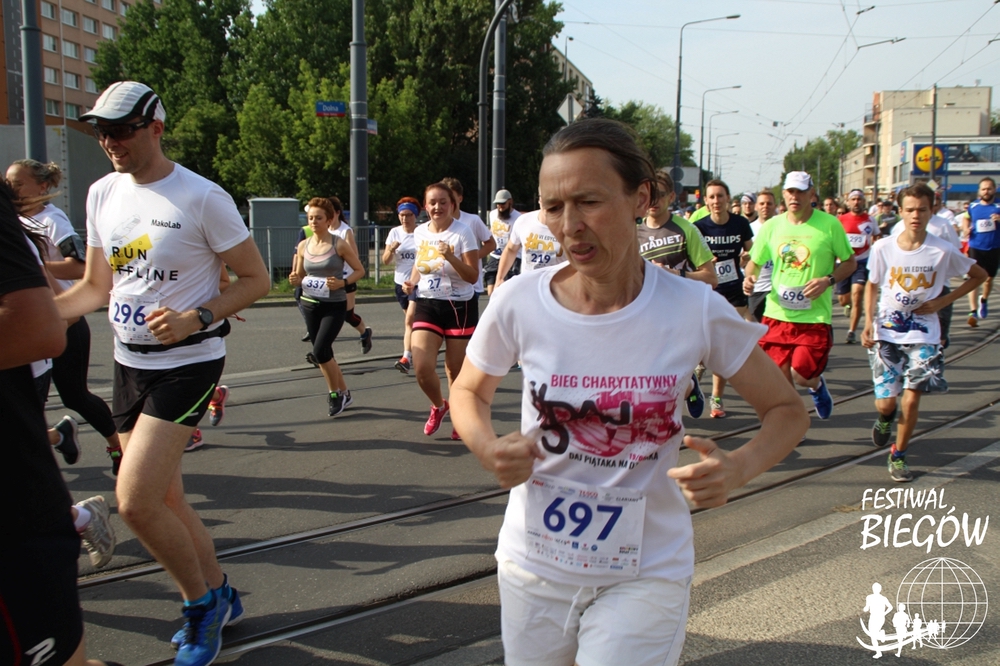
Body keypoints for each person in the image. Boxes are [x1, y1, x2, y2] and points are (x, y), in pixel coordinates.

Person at [450, 118, 808, 666]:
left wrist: (739, 467)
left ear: (640, 198)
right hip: (535, 566)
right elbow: (468, 392)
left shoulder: (694, 308)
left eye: (589, 202)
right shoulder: (519, 302)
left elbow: (786, 411)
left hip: (647, 569)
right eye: (552, 207)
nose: (569, 225)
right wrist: (485, 445)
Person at [57, 81, 270, 666]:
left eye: (121, 130)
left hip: (189, 363)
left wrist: (196, 317)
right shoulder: (102, 193)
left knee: (135, 502)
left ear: (155, 128)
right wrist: (31, 316)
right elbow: (94, 287)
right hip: (129, 362)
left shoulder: (201, 197)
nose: (109, 141)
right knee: (167, 499)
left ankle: (201, 608)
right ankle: (222, 594)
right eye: (101, 131)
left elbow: (256, 280)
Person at [1, 179, 123, 666]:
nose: (111, 144)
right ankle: (77, 501)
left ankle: (111, 453)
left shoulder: (52, 221)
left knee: (78, 398)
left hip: (39, 363)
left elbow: (72, 285)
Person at [7, 159, 124, 473]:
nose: (12, 189)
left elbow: (80, 266)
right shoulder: (14, 221)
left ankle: (118, 445)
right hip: (39, 322)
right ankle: (58, 436)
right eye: (8, 183)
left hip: (67, 318)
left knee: (75, 396)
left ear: (42, 187)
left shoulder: (52, 219)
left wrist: (33, 268)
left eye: (18, 183)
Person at [863, 184, 986, 482]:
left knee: (912, 398)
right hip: (888, 332)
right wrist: (867, 322)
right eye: (910, 210)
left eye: (922, 209)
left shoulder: (942, 249)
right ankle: (885, 418)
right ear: (900, 212)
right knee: (886, 403)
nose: (915, 215)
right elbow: (872, 284)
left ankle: (899, 454)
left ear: (932, 211)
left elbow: (979, 275)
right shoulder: (883, 247)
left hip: (924, 333)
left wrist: (944, 301)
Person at [743, 172, 856, 422]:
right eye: (791, 191)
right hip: (777, 313)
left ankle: (817, 386)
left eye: (801, 192)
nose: (795, 197)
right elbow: (754, 262)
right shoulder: (772, 226)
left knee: (802, 375)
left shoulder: (829, 224)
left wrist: (828, 280)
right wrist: (749, 277)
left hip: (813, 316)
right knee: (780, 376)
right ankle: (793, 423)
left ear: (811, 194)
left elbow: (850, 263)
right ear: (784, 194)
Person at [403, 182, 481, 440]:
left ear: (452, 205)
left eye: (443, 202)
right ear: (426, 207)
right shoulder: (420, 232)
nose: (437, 207)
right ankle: (439, 405)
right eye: (432, 203)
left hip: (459, 306)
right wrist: (412, 281)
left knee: (454, 370)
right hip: (428, 302)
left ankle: (459, 415)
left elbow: (472, 276)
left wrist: (451, 257)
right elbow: (420, 262)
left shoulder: (463, 233)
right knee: (422, 368)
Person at [637, 169, 717, 417]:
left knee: (666, 373)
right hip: (646, 315)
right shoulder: (633, 233)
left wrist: (673, 274)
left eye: (660, 195)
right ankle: (688, 386)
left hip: (680, 312)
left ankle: (687, 387)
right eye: (650, 195)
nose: (654, 201)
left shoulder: (686, 229)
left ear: (671, 196)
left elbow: (711, 278)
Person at [289, 198, 365, 415]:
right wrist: (295, 279)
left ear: (329, 220)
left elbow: (359, 270)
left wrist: (343, 283)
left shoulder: (338, 244)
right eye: (310, 218)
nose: (313, 222)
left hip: (334, 304)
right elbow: (300, 275)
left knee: (320, 351)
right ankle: (345, 393)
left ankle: (335, 395)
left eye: (318, 218)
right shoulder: (303, 245)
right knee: (325, 352)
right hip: (310, 303)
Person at [695, 179, 754, 418]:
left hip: (733, 291)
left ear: (728, 198)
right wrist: (704, 264)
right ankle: (699, 362)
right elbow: (690, 260)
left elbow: (752, 252)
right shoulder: (699, 227)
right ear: (706, 201)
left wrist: (746, 258)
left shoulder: (740, 223)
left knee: (723, 344)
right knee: (705, 341)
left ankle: (716, 398)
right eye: (711, 197)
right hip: (708, 291)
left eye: (720, 196)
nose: (716, 201)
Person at [327, 196, 374, 353]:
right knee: (327, 313)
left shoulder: (345, 231)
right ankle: (322, 349)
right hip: (328, 278)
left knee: (347, 315)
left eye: (330, 212)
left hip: (346, 276)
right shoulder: (325, 230)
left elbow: (354, 256)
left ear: (337, 213)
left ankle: (365, 332)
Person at [835, 189, 879, 344]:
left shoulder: (870, 220)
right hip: (844, 261)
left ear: (863, 202)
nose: (856, 202)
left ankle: (851, 331)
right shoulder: (840, 220)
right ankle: (848, 306)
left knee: (858, 292)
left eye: (859, 199)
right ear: (848, 202)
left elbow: (876, 236)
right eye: (853, 199)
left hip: (861, 261)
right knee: (843, 299)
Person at [442, 177, 496, 300]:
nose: (449, 201)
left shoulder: (472, 220)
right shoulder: (437, 223)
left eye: (452, 196)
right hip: (443, 285)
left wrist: (472, 257)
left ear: (460, 198)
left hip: (470, 285)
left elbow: (491, 244)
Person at [383, 197, 419, 373]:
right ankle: (423, 344)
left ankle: (406, 358)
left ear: (415, 215)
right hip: (400, 283)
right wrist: (391, 249)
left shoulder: (422, 232)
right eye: (402, 215)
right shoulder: (394, 233)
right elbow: (385, 261)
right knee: (413, 322)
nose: (405, 218)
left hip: (418, 283)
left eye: (409, 215)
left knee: (409, 319)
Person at [495, 204, 567, 288]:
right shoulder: (524, 221)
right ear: (540, 200)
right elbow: (511, 249)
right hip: (527, 287)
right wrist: (499, 278)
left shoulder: (570, 225)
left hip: (557, 288)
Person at [960, 177, 1000, 327]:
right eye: (983, 189)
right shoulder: (973, 206)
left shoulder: (998, 205)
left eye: (989, 188)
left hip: (994, 248)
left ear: (994, 189)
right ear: (979, 191)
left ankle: (984, 300)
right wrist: (966, 228)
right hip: (976, 246)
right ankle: (973, 311)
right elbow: (966, 219)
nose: (986, 191)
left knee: (988, 279)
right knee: (974, 278)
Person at [748, 189, 778, 323]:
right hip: (757, 288)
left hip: (777, 288)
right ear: (756, 206)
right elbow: (742, 261)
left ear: (775, 206)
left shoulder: (782, 227)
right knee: (758, 329)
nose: (765, 206)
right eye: (762, 204)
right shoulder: (749, 229)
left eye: (769, 204)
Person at [484, 189, 521, 296]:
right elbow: (492, 229)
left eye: (503, 203)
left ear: (510, 202)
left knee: (507, 292)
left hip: (512, 257)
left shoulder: (518, 217)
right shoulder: (492, 214)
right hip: (495, 255)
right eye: (498, 204)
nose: (500, 206)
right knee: (491, 292)